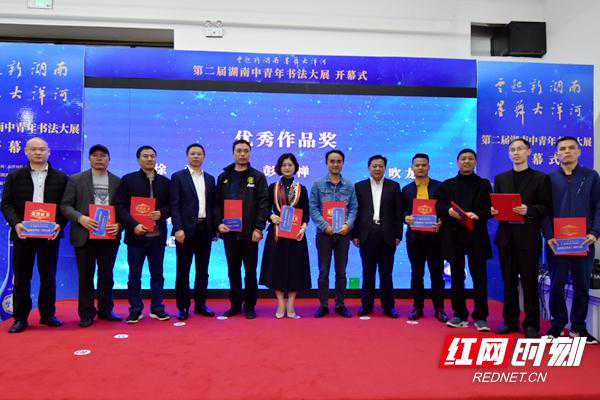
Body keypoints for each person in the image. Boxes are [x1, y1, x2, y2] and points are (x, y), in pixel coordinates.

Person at [1, 137, 68, 333]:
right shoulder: (14, 176)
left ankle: (48, 315)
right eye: (34, 149)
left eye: (42, 149)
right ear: (26, 152)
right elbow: (6, 204)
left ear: (49, 152)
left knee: (48, 276)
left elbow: (65, 206)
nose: (38, 152)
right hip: (23, 235)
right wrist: (17, 223)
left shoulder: (61, 178)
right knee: (22, 278)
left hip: (49, 236)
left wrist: (59, 225)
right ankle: (20, 318)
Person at [492, 138, 552, 338]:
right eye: (512, 150)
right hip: (506, 237)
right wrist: (494, 211)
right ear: (509, 154)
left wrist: (529, 210)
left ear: (529, 152)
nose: (516, 153)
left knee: (529, 282)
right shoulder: (501, 178)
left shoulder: (540, 178)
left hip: (528, 238)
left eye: (520, 149)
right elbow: (498, 204)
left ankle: (531, 325)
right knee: (508, 282)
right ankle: (510, 321)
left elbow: (546, 207)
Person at [543, 136, 599, 344]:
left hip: (583, 241)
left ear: (578, 152)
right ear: (557, 154)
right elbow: (544, 210)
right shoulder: (549, 178)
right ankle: (557, 325)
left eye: (571, 148)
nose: (567, 151)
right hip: (557, 243)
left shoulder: (591, 176)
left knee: (581, 286)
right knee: (556, 285)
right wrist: (549, 235)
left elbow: (598, 206)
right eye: (562, 148)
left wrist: (594, 233)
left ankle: (578, 327)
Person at [60, 144, 123, 327]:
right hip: (84, 235)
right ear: (89, 159)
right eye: (95, 155)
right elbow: (65, 206)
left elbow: (123, 209)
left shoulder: (118, 182)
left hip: (109, 236)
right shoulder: (75, 179)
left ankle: (106, 310)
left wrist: (119, 225)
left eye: (103, 155)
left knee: (107, 276)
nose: (99, 158)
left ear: (109, 159)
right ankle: (86, 314)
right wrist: (81, 218)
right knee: (86, 277)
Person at [436, 148, 492, 331]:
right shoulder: (447, 184)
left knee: (479, 277)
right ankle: (459, 314)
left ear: (475, 162)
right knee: (456, 276)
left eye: (470, 158)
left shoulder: (484, 184)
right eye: (463, 159)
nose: (466, 161)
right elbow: (438, 206)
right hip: (454, 236)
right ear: (457, 162)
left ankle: (481, 317)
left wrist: (477, 214)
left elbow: (490, 209)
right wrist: (448, 211)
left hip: (477, 235)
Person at [115, 145, 171, 323]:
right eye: (145, 156)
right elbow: (120, 207)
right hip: (136, 236)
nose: (149, 159)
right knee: (134, 275)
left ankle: (157, 308)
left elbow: (172, 206)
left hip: (157, 237)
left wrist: (162, 213)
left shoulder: (165, 182)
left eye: (152, 156)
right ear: (138, 159)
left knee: (157, 274)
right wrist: (133, 225)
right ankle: (135, 309)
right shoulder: (128, 180)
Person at [216, 139, 269, 319]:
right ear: (233, 153)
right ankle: (235, 305)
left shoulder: (258, 177)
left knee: (250, 271)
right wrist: (218, 224)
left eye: (245, 151)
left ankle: (250, 306)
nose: (242, 154)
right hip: (229, 232)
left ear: (250, 153)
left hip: (250, 233)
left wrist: (259, 228)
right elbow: (216, 204)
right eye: (239, 151)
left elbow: (264, 204)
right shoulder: (224, 177)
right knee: (233, 270)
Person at [259, 153, 311, 318]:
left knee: (295, 268)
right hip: (277, 234)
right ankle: (281, 302)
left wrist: (304, 226)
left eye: (290, 165)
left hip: (296, 235)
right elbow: (264, 207)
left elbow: (306, 212)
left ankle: (291, 304)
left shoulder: (301, 188)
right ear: (279, 168)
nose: (287, 168)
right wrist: (271, 216)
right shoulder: (273, 187)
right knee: (277, 268)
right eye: (284, 165)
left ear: (295, 167)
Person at [170, 143, 217, 321]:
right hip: (185, 231)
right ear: (187, 156)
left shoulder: (210, 178)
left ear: (204, 157)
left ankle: (200, 304)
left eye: (199, 154)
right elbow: (174, 205)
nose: (196, 156)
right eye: (193, 153)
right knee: (183, 270)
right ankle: (182, 307)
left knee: (203, 270)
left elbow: (213, 206)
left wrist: (214, 228)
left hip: (205, 229)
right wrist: (178, 228)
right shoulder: (178, 177)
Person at [352, 155, 402, 318]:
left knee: (386, 273)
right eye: (374, 166)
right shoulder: (359, 186)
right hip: (367, 234)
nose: (377, 169)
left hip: (388, 235)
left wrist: (398, 235)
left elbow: (398, 212)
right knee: (368, 272)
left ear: (385, 168)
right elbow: (355, 212)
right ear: (369, 168)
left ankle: (389, 307)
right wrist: (355, 234)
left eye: (380, 166)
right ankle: (366, 306)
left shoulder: (394, 186)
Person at [310, 149, 358, 318]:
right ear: (327, 163)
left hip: (343, 234)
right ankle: (323, 305)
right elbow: (313, 208)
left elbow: (353, 208)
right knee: (323, 271)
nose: (335, 164)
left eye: (338, 161)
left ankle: (340, 304)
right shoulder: (318, 184)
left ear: (342, 163)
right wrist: (325, 226)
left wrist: (348, 225)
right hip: (324, 234)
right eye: (332, 161)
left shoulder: (349, 185)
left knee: (341, 272)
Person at [401, 153, 447, 322]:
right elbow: (401, 212)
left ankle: (439, 308)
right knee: (416, 274)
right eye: (417, 165)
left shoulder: (440, 187)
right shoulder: (406, 190)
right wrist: (405, 218)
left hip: (435, 238)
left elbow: (445, 210)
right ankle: (417, 307)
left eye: (423, 165)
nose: (420, 168)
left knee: (437, 275)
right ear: (412, 168)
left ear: (429, 167)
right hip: (415, 239)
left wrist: (441, 221)